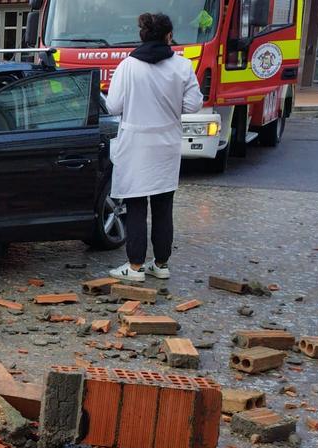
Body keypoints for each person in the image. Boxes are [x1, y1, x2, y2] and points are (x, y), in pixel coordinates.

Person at [104, 13, 203, 282]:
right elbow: (193, 105)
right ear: (169, 36)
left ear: (142, 35)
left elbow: (112, 107)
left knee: (136, 205)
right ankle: (160, 264)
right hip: (166, 144)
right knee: (163, 205)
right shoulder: (183, 67)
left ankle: (135, 266)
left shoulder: (127, 66)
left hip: (136, 143)